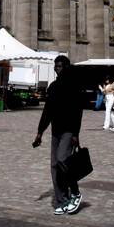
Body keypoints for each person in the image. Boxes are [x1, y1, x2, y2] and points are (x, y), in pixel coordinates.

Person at [32, 55, 83, 215]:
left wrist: (76, 133)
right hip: (56, 131)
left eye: (59, 66)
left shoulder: (74, 85)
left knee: (63, 160)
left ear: (66, 67)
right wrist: (40, 132)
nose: (56, 68)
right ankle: (62, 200)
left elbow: (78, 111)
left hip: (68, 131)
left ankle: (75, 193)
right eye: (55, 66)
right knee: (54, 166)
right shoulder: (53, 87)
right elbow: (47, 111)